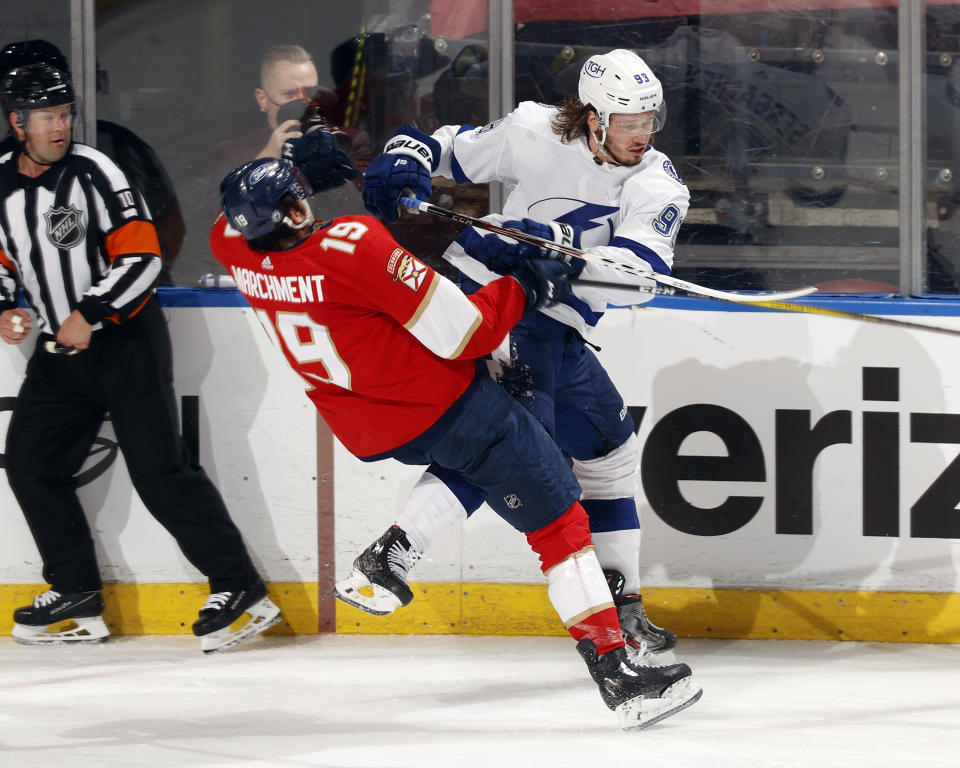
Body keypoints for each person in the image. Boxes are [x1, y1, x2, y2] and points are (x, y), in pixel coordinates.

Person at [209, 134, 701, 729]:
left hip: (366, 422)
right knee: (560, 521)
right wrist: (527, 286)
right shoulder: (355, 245)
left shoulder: (235, 249)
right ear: (292, 209)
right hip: (446, 406)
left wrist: (294, 174)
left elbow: (241, 216)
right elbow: (465, 333)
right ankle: (619, 676)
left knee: (492, 460)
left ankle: (388, 558)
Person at [341, 49, 687, 660]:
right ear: (590, 118)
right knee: (517, 442)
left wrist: (560, 254)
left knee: (607, 447)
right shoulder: (532, 129)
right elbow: (443, 148)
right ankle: (393, 554)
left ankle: (623, 603)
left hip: (554, 324)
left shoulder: (657, 184)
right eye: (627, 121)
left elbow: (633, 277)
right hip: (494, 302)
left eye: (649, 120)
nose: (641, 134)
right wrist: (405, 156)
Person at [0, 62, 278, 653]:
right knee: (29, 463)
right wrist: (5, 308)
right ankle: (76, 592)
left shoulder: (97, 172)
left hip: (125, 342)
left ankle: (240, 589)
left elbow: (145, 258)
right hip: (59, 352)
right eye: (47, 117)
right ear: (16, 122)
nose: (59, 126)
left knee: (161, 471)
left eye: (65, 114)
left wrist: (92, 312)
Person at [0, 39, 186, 283]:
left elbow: (170, 224)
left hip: (120, 306)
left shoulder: (120, 146)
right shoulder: (5, 162)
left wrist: (131, 282)